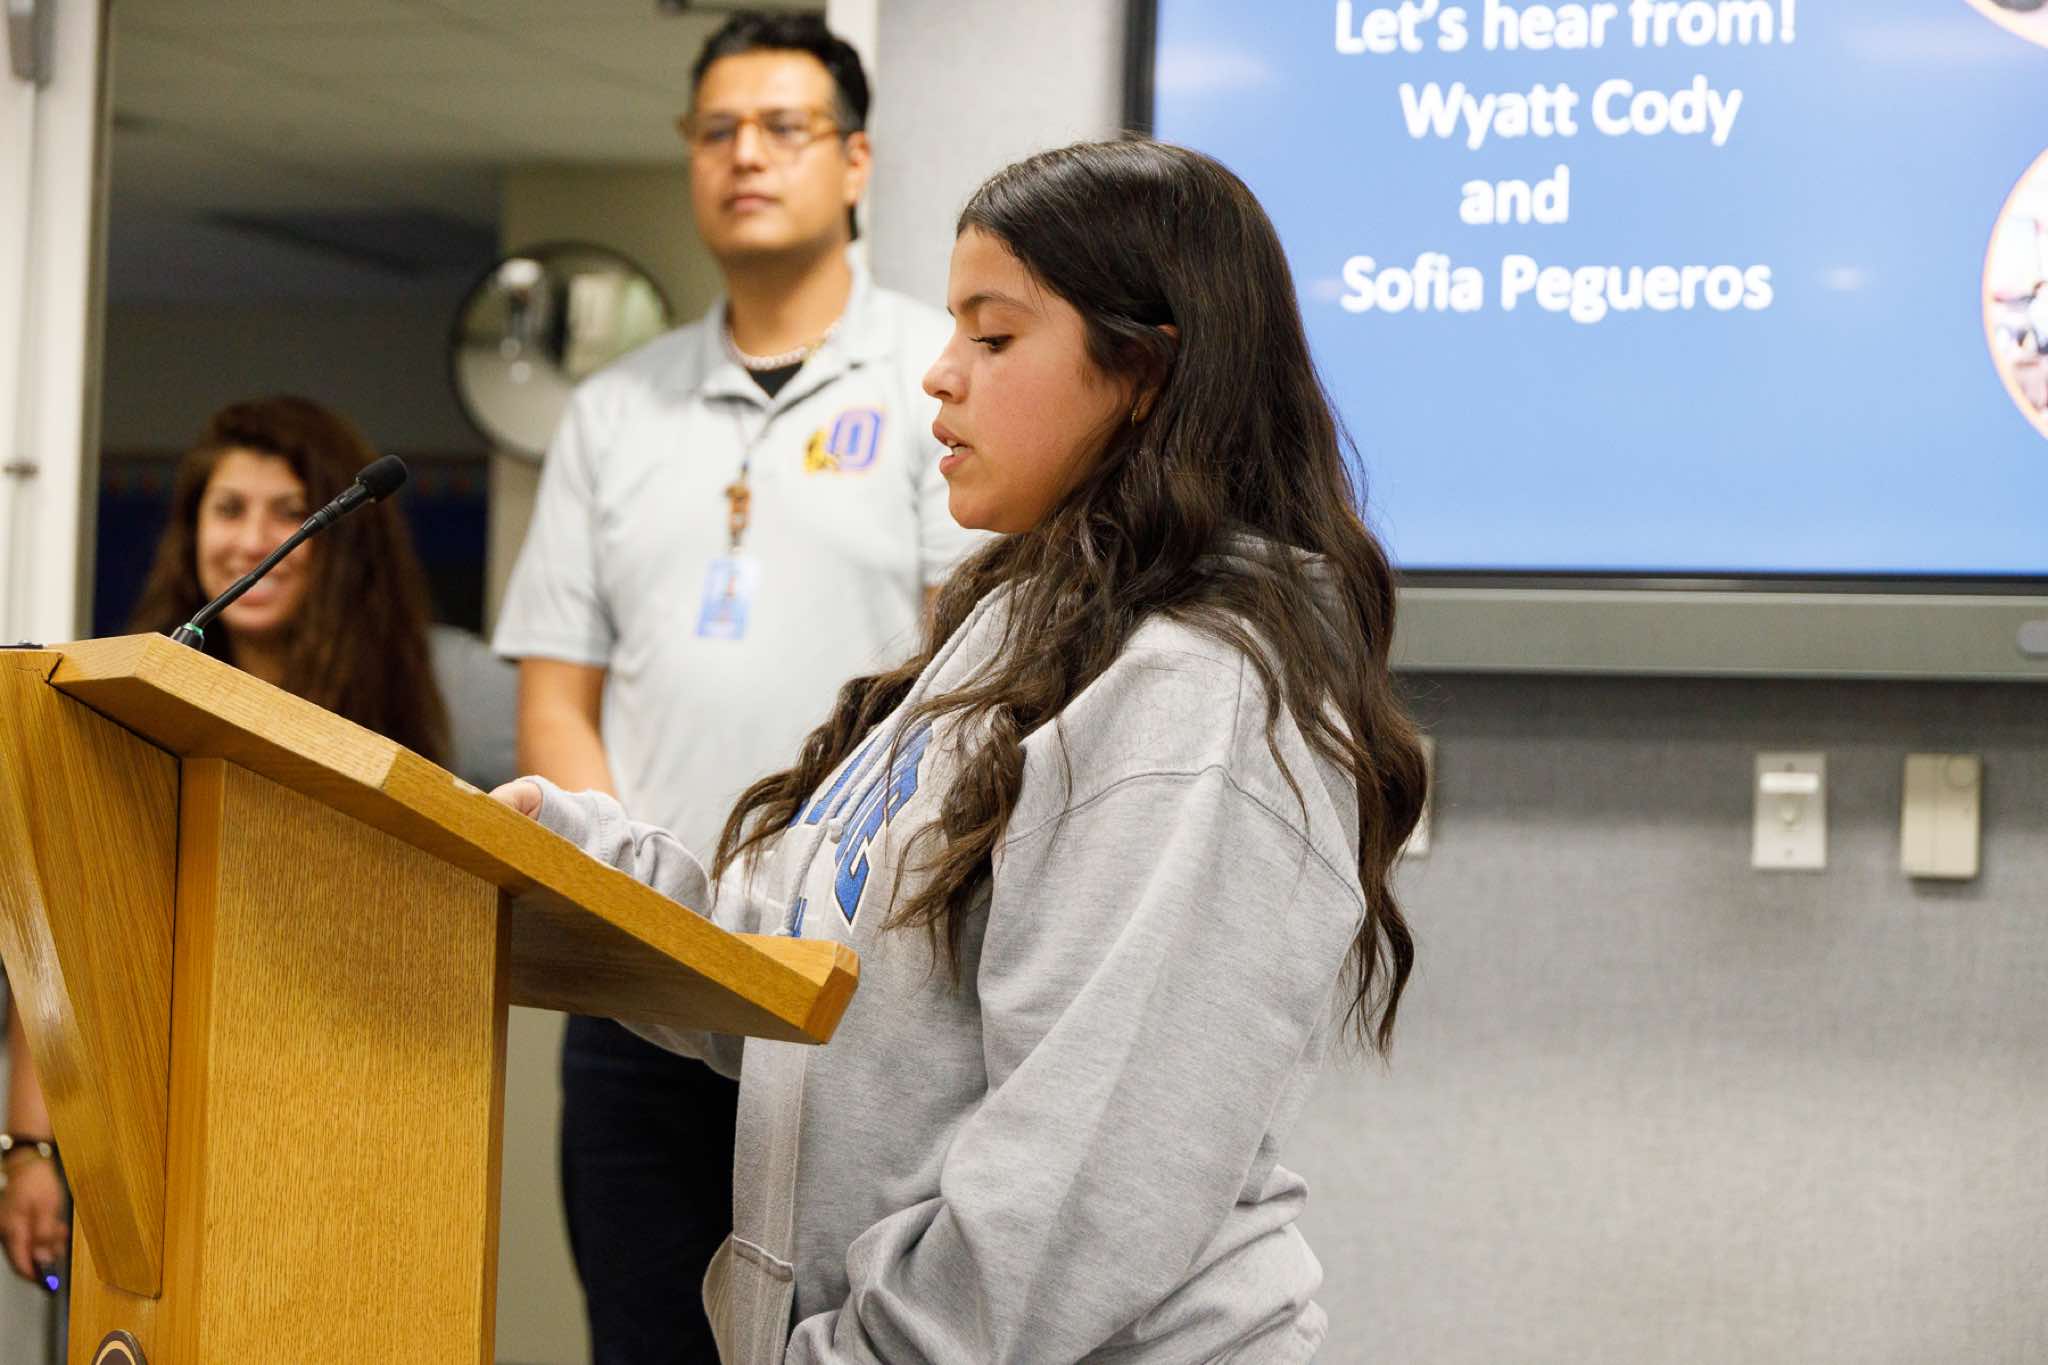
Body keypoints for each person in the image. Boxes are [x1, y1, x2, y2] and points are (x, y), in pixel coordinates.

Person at [493, 138, 1430, 1362]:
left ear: (1142, 374)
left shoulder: (1198, 693)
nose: (939, 375)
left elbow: (1083, 1181)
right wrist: (570, 866)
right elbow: (813, 975)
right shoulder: (1017, 627)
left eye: (992, 338)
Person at [490, 11, 982, 1358]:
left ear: (856, 160)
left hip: (843, 992)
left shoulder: (944, 382)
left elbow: (961, 690)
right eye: (716, 131)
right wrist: (634, 919)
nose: (745, 155)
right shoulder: (615, 410)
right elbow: (556, 701)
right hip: (639, 984)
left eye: (782, 127)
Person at [0, 393, 452, 1286]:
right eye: (230, 509)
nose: (252, 541)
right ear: (191, 531)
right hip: (147, 1120)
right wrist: (32, 1144)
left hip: (333, 1128)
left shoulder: (403, 727)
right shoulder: (130, 704)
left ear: (344, 540)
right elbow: (64, 936)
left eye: (289, 512)